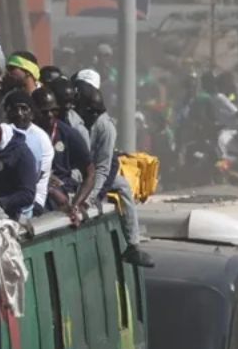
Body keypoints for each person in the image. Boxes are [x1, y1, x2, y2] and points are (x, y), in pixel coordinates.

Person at [75, 85, 154, 267]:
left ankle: (133, 244)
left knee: (123, 186)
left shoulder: (105, 127)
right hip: (76, 173)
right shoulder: (76, 121)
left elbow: (102, 168)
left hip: (91, 175)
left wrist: (90, 197)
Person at [32, 87, 95, 216]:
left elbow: (90, 173)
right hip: (35, 190)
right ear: (33, 111)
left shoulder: (69, 134)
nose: (49, 115)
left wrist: (76, 204)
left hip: (62, 192)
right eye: (44, 112)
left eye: (53, 110)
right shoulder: (26, 135)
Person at [4, 90, 54, 216]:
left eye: (24, 109)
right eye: (15, 109)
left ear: (32, 113)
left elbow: (34, 176)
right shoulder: (3, 132)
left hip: (33, 199)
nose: (19, 113)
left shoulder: (40, 138)